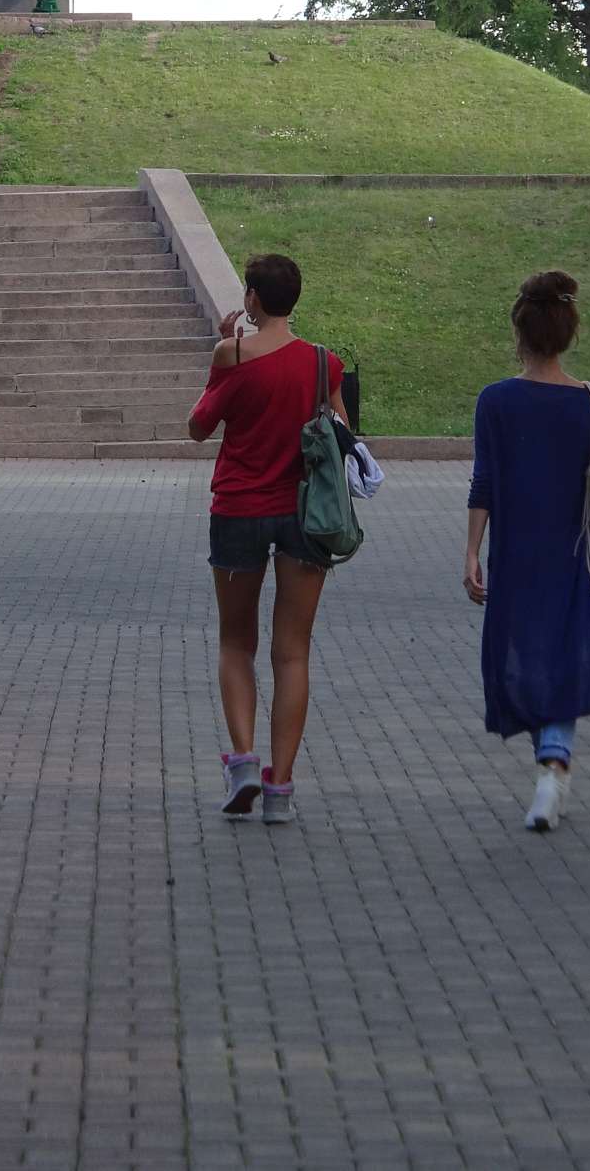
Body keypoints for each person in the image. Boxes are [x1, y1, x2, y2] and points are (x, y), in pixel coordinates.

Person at [465, 270, 590, 832]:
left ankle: (548, 762)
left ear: (519, 335)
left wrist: (471, 551)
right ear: (568, 334)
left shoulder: (496, 401)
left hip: (518, 553)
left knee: (525, 650)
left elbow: (486, 483)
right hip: (576, 552)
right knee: (568, 650)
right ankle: (554, 764)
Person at [187, 254, 348, 825]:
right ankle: (280, 789)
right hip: (305, 517)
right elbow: (341, 435)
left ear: (252, 298)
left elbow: (199, 425)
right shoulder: (326, 364)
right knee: (293, 652)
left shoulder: (232, 354)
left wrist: (222, 362)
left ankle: (244, 763)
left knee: (236, 642)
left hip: (238, 510)